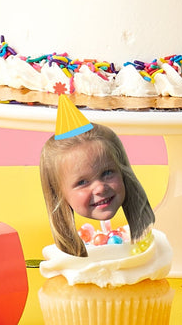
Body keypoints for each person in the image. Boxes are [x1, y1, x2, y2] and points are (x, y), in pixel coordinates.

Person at [39, 108, 155, 257]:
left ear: (123, 171)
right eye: (82, 182)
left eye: (107, 173)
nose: (100, 188)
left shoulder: (158, 239)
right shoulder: (62, 262)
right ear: (58, 192)